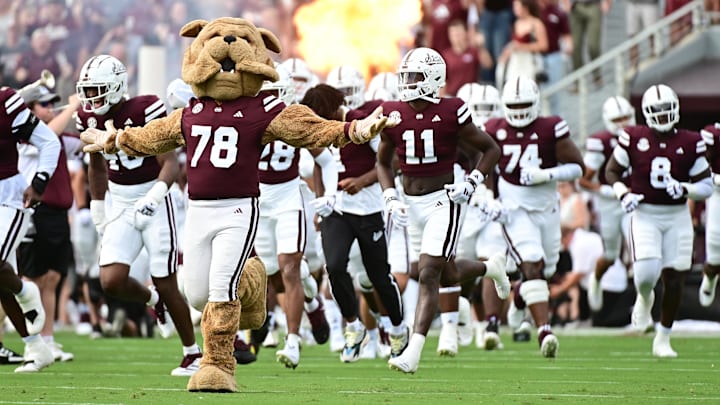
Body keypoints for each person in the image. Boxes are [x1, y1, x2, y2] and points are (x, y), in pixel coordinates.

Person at [377, 47, 509, 374]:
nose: (407, 83)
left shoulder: (452, 110)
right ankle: (488, 267)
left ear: (433, 77)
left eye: (414, 77)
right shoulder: (393, 112)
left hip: (443, 200)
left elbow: (490, 149)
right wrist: (390, 195)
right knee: (445, 271)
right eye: (405, 76)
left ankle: (414, 351)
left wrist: (473, 181)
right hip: (410, 202)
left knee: (428, 272)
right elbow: (381, 161)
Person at [75, 55, 201, 376]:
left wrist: (154, 197)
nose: (92, 100)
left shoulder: (146, 108)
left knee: (165, 275)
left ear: (117, 87)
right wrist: (98, 208)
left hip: (155, 197)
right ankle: (153, 300)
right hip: (121, 202)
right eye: (88, 92)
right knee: (111, 280)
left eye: (98, 91)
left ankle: (192, 354)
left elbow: (170, 163)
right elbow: (96, 166)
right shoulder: (87, 119)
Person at [302, 81, 409, 363]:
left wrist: (361, 182)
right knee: (335, 266)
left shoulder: (360, 123)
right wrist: (321, 199)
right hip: (336, 209)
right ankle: (352, 326)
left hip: (369, 208)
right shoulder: (318, 129)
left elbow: (392, 161)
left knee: (378, 276)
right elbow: (319, 162)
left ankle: (397, 329)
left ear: (334, 109)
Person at [605, 84, 712, 357]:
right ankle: (643, 297)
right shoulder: (632, 136)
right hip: (645, 214)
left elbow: (706, 185)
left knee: (675, 278)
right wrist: (622, 193)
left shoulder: (690, 141)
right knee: (645, 275)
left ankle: (663, 337)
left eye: (667, 111)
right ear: (646, 113)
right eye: (657, 112)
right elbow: (612, 171)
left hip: (676, 215)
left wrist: (686, 189)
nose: (663, 116)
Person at [483, 75, 585, 358]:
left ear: (536, 102)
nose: (518, 111)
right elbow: (480, 167)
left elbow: (578, 167)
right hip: (514, 209)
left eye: (524, 104)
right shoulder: (494, 129)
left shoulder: (550, 127)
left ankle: (518, 300)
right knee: (532, 263)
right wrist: (488, 198)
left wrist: (546, 174)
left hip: (547, 208)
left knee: (545, 272)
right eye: (513, 105)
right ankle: (544, 331)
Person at [255, 64, 332, 369]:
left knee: (291, 268)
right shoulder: (248, 117)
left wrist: (327, 196)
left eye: (274, 93)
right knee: (272, 275)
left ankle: (293, 341)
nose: (268, 100)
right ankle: (312, 302)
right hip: (259, 202)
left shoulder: (296, 118)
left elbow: (325, 159)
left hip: (289, 197)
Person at [16, 83, 82, 363]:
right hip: (36, 213)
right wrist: (73, 106)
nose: (49, 108)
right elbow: (51, 134)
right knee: (31, 279)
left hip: (58, 216)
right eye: (43, 104)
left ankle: (48, 339)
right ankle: (31, 340)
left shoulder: (61, 136)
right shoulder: (26, 138)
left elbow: (82, 142)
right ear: (30, 110)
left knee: (53, 279)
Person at [0, 85, 59, 373]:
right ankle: (37, 347)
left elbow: (50, 142)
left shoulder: (6, 103)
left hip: (8, 199)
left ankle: (25, 291)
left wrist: (39, 183)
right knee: (2, 280)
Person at [455, 82, 508, 350]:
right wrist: (479, 195)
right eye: (479, 108)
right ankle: (467, 319)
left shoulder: (506, 132)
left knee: (492, 260)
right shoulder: (461, 135)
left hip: (495, 210)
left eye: (489, 108)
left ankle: (491, 325)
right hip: (465, 208)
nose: (484, 114)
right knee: (458, 272)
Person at [578, 96, 635, 311]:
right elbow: (582, 180)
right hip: (610, 203)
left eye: (625, 117)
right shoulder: (601, 142)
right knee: (610, 255)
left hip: (634, 200)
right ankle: (596, 278)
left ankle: (643, 303)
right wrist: (606, 189)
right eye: (617, 119)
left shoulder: (641, 136)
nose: (622, 123)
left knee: (638, 246)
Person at [496, 0, 549, 87]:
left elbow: (544, 45)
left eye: (517, 6)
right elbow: (514, 43)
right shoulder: (516, 23)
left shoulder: (536, 23)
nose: (515, 9)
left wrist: (522, 47)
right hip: (516, 63)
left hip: (530, 63)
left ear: (525, 7)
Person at [563, 0, 611, 85]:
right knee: (575, 45)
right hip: (576, 6)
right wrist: (566, 2)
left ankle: (596, 74)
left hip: (593, 5)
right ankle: (578, 79)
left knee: (593, 46)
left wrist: (608, 3)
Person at [699, 122, 720, 306]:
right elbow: (699, 168)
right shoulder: (713, 134)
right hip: (718, 193)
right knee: (715, 258)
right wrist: (715, 178)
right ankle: (711, 276)